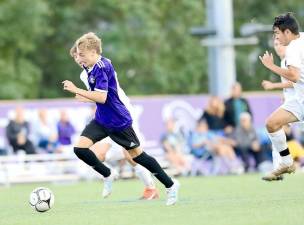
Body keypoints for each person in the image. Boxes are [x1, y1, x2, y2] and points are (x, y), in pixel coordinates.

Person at [64, 33, 178, 204]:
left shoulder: (102, 66)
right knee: (80, 149)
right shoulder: (87, 70)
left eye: (82, 55)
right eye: (77, 55)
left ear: (94, 52)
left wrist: (76, 90)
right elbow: (100, 97)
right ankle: (108, 174)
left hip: (119, 120)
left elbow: (102, 98)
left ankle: (170, 186)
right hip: (102, 119)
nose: (79, 58)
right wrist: (85, 97)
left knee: (137, 156)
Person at [259, 12, 304, 180]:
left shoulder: (292, 48)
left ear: (287, 32)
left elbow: (293, 76)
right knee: (272, 123)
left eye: (277, 33)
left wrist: (270, 66)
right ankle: (286, 162)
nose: (276, 38)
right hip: (299, 101)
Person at [261, 38, 294, 181]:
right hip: (294, 105)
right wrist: (285, 97)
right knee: (274, 130)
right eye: (275, 44)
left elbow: (294, 81)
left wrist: (273, 85)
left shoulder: (291, 60)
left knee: (275, 130)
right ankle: (279, 168)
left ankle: (283, 166)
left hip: (298, 105)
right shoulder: (283, 62)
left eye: (280, 43)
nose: (278, 46)